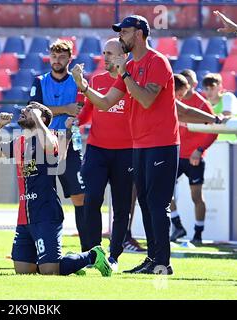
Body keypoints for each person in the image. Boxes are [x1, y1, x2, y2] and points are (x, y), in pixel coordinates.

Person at [72, 15, 221, 275]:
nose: (121, 37)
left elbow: (146, 100)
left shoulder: (156, 61)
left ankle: (162, 262)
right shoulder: (130, 65)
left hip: (162, 144)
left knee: (156, 204)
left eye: (125, 32)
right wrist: (84, 87)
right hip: (139, 145)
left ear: (139, 33)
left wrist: (126, 74)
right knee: (145, 203)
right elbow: (106, 103)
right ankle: (153, 259)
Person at [0, 102, 112, 277]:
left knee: (49, 271)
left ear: (41, 117)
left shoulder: (50, 137)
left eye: (29, 110)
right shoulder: (19, 142)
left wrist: (36, 116)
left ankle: (92, 255)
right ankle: (68, 263)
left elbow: (50, 145)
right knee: (23, 271)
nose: (23, 111)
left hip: (46, 214)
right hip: (25, 216)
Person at [74, 38, 134, 271]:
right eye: (104, 52)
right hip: (97, 151)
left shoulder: (132, 82)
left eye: (111, 53)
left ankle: (114, 255)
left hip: (126, 153)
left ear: (124, 56)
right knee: (92, 201)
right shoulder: (95, 80)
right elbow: (87, 113)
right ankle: (92, 253)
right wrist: (74, 123)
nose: (105, 57)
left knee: (121, 207)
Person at [29, 39, 87, 251]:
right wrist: (65, 109)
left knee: (80, 196)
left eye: (62, 56)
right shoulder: (39, 81)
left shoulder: (77, 82)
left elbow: (80, 109)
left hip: (70, 143)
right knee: (45, 198)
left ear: (69, 59)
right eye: (54, 56)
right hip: (45, 145)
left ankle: (87, 248)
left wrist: (65, 111)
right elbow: (34, 111)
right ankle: (46, 248)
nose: (57, 60)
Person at [169, 71, 217, 244]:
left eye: (191, 82)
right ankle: (177, 225)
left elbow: (214, 131)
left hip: (194, 157)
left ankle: (198, 234)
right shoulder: (172, 100)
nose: (189, 86)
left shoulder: (202, 104)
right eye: (185, 83)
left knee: (196, 196)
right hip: (176, 154)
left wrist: (199, 149)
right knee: (164, 191)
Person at [201, 73, 237, 142]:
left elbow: (225, 114)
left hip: (233, 143)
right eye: (206, 88)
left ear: (219, 87)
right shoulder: (204, 103)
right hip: (216, 144)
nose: (209, 92)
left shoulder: (228, 97)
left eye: (212, 88)